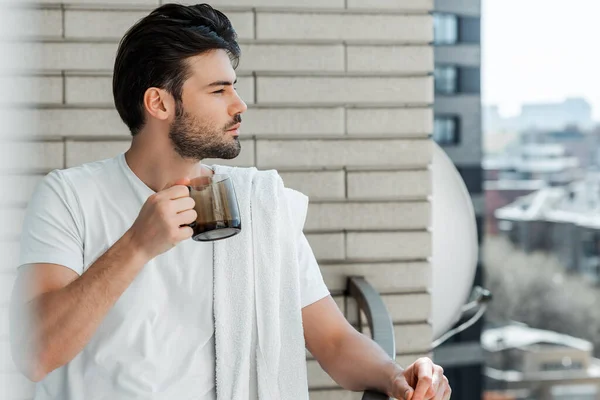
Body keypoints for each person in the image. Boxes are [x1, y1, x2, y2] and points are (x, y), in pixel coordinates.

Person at [9, 3, 451, 400]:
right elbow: (35, 354)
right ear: (158, 103)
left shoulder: (259, 204)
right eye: (219, 90)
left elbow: (333, 340)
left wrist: (397, 377)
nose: (239, 105)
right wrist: (137, 246)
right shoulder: (70, 196)